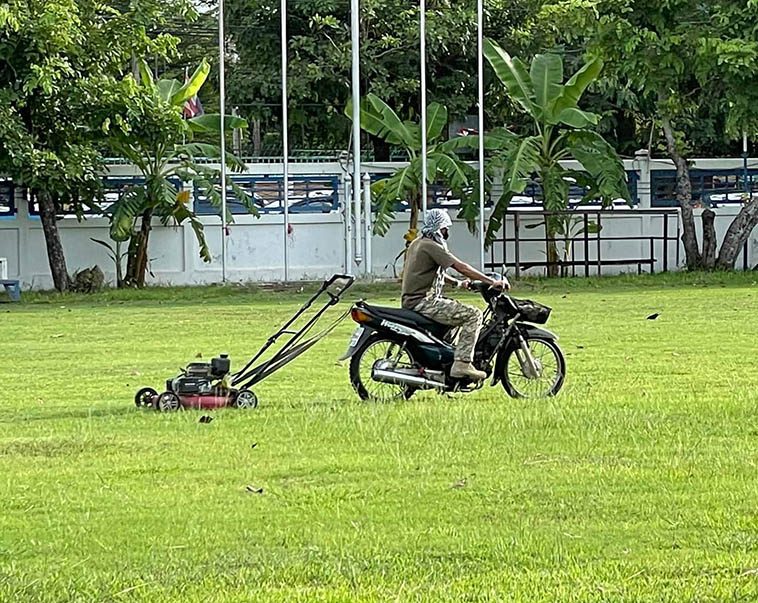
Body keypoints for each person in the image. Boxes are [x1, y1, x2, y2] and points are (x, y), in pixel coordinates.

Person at [401, 209, 510, 381]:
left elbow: (430, 272)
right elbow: (461, 267)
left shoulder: (417, 243)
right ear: (440, 228)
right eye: (446, 228)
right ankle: (462, 364)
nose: (447, 232)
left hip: (413, 300)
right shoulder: (432, 246)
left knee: (455, 313)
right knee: (473, 315)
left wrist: (458, 283)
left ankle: (446, 362)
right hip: (424, 302)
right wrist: (491, 281)